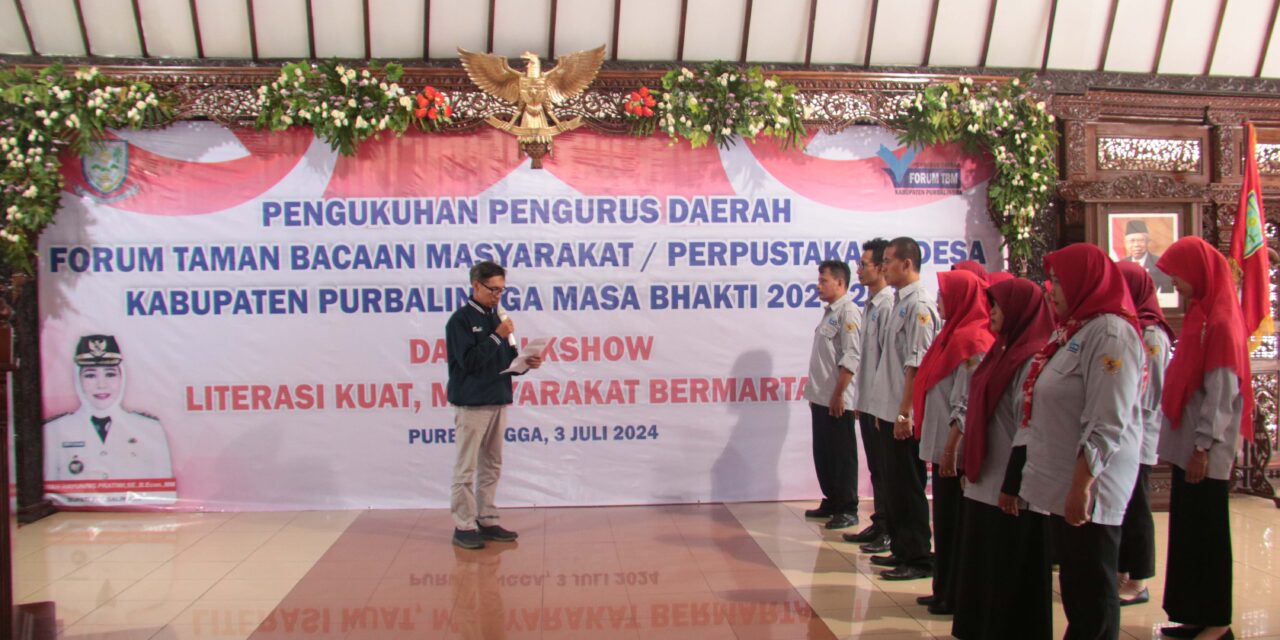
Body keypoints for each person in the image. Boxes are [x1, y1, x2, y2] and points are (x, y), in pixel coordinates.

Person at [1018, 243, 1144, 640]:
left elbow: (1108, 419)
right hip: (1066, 479)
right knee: (1077, 585)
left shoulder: (1111, 335)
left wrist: (1081, 484)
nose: (1050, 288)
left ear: (1083, 282)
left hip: (1092, 483)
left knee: (1092, 588)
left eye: (1058, 279)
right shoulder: (1076, 330)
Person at [1154, 237, 1251, 640]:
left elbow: (1222, 394)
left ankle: (1217, 623)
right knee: (1189, 533)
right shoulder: (1202, 314)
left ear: (1197, 272)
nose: (1174, 282)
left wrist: (1202, 448)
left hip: (1204, 451)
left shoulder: (1224, 322)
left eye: (1177, 274)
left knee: (1208, 535)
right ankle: (1192, 614)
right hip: (1186, 448)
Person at [952, 278, 1056, 640]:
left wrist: (1013, 484)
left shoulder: (1031, 359)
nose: (991, 312)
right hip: (986, 479)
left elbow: (1028, 429)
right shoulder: (1001, 351)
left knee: (1011, 570)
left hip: (1012, 488)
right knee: (984, 565)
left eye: (997, 306)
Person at [447, 261, 543, 550]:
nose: (498, 295)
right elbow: (470, 362)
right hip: (472, 402)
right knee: (466, 467)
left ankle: (486, 517)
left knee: (492, 463)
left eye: (502, 289)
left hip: (498, 397)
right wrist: (496, 336)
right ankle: (464, 524)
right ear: (476, 285)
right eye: (493, 289)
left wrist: (526, 363)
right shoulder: (460, 321)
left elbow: (507, 362)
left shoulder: (499, 318)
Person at [912, 269, 993, 614]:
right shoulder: (949, 334)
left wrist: (950, 446)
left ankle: (957, 594)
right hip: (941, 445)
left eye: (945, 295)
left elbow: (966, 400)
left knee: (956, 524)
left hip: (954, 451)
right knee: (943, 523)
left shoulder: (972, 340)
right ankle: (943, 586)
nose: (939, 301)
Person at [866, 236, 938, 581]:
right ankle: (900, 548)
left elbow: (917, 363)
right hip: (887, 407)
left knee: (908, 486)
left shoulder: (920, 304)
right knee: (893, 484)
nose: (884, 267)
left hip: (901, 412)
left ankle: (918, 556)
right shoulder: (898, 302)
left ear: (907, 264)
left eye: (889, 261)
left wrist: (904, 412)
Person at [44, 334, 177, 506]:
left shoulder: (149, 428)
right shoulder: (55, 430)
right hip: (76, 521)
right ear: (78, 379)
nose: (101, 385)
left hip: (138, 520)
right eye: (90, 375)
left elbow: (164, 495)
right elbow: (48, 497)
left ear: (122, 377)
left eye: (110, 374)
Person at [1115, 261, 1175, 607]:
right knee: (1122, 504)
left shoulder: (1152, 334)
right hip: (1124, 431)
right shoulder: (1129, 327)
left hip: (1139, 433)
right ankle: (1122, 567)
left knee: (1136, 505)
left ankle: (1139, 579)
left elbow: (1150, 394)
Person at [802, 259, 863, 530]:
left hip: (838, 399)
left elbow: (851, 356)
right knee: (824, 453)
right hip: (821, 397)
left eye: (824, 280)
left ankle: (848, 506)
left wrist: (839, 394)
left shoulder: (849, 313)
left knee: (841, 454)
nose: (819, 286)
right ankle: (833, 500)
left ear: (840, 283)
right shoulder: (830, 313)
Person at [844, 238, 894, 551]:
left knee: (889, 471)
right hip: (869, 403)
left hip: (885, 407)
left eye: (865, 264)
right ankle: (880, 523)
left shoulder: (888, 305)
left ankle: (890, 529)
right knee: (877, 469)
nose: (859, 270)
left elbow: (890, 362)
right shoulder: (871, 304)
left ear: (881, 268)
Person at [1120, 219, 1174, 293]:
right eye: (1132, 241)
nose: (1136, 245)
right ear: (1125, 243)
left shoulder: (1160, 264)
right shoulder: (1121, 265)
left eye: (1141, 241)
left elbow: (1168, 294)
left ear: (1148, 242)